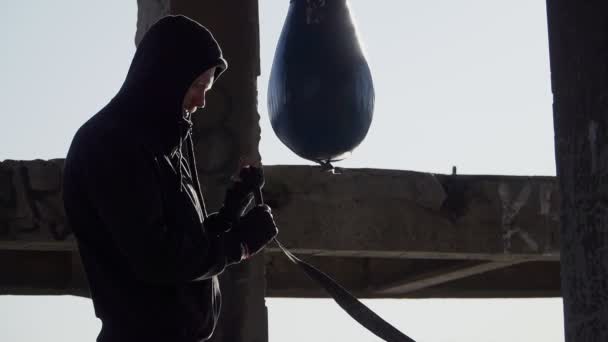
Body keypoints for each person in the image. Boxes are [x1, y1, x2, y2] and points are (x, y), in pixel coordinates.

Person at [62, 15, 278, 342]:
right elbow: (156, 259)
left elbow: (183, 245)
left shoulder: (167, 143)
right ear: (166, 79)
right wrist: (239, 244)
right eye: (196, 87)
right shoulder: (111, 144)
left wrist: (230, 214)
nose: (201, 101)